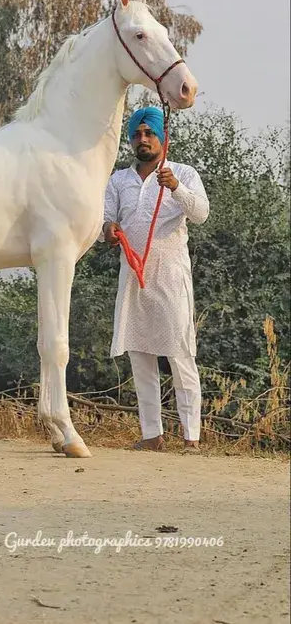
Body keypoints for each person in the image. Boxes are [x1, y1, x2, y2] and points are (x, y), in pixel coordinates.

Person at [102, 106, 209, 452]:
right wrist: (107, 228)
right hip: (133, 277)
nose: (142, 139)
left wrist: (176, 188)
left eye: (149, 133)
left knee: (180, 354)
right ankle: (152, 435)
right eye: (137, 134)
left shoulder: (183, 173)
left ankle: (191, 437)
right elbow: (104, 218)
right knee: (140, 355)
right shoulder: (119, 179)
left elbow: (202, 214)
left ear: (163, 137)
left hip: (170, 276)